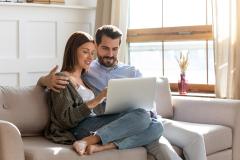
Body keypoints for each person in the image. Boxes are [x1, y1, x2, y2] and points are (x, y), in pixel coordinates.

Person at [38, 25, 185, 160]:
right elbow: (65, 120)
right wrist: (44, 80)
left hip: (96, 122)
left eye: (92, 53)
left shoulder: (85, 76)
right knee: (142, 116)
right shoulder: (62, 79)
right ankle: (87, 140)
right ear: (72, 52)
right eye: (85, 52)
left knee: (156, 126)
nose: (90, 57)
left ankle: (100, 146)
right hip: (79, 128)